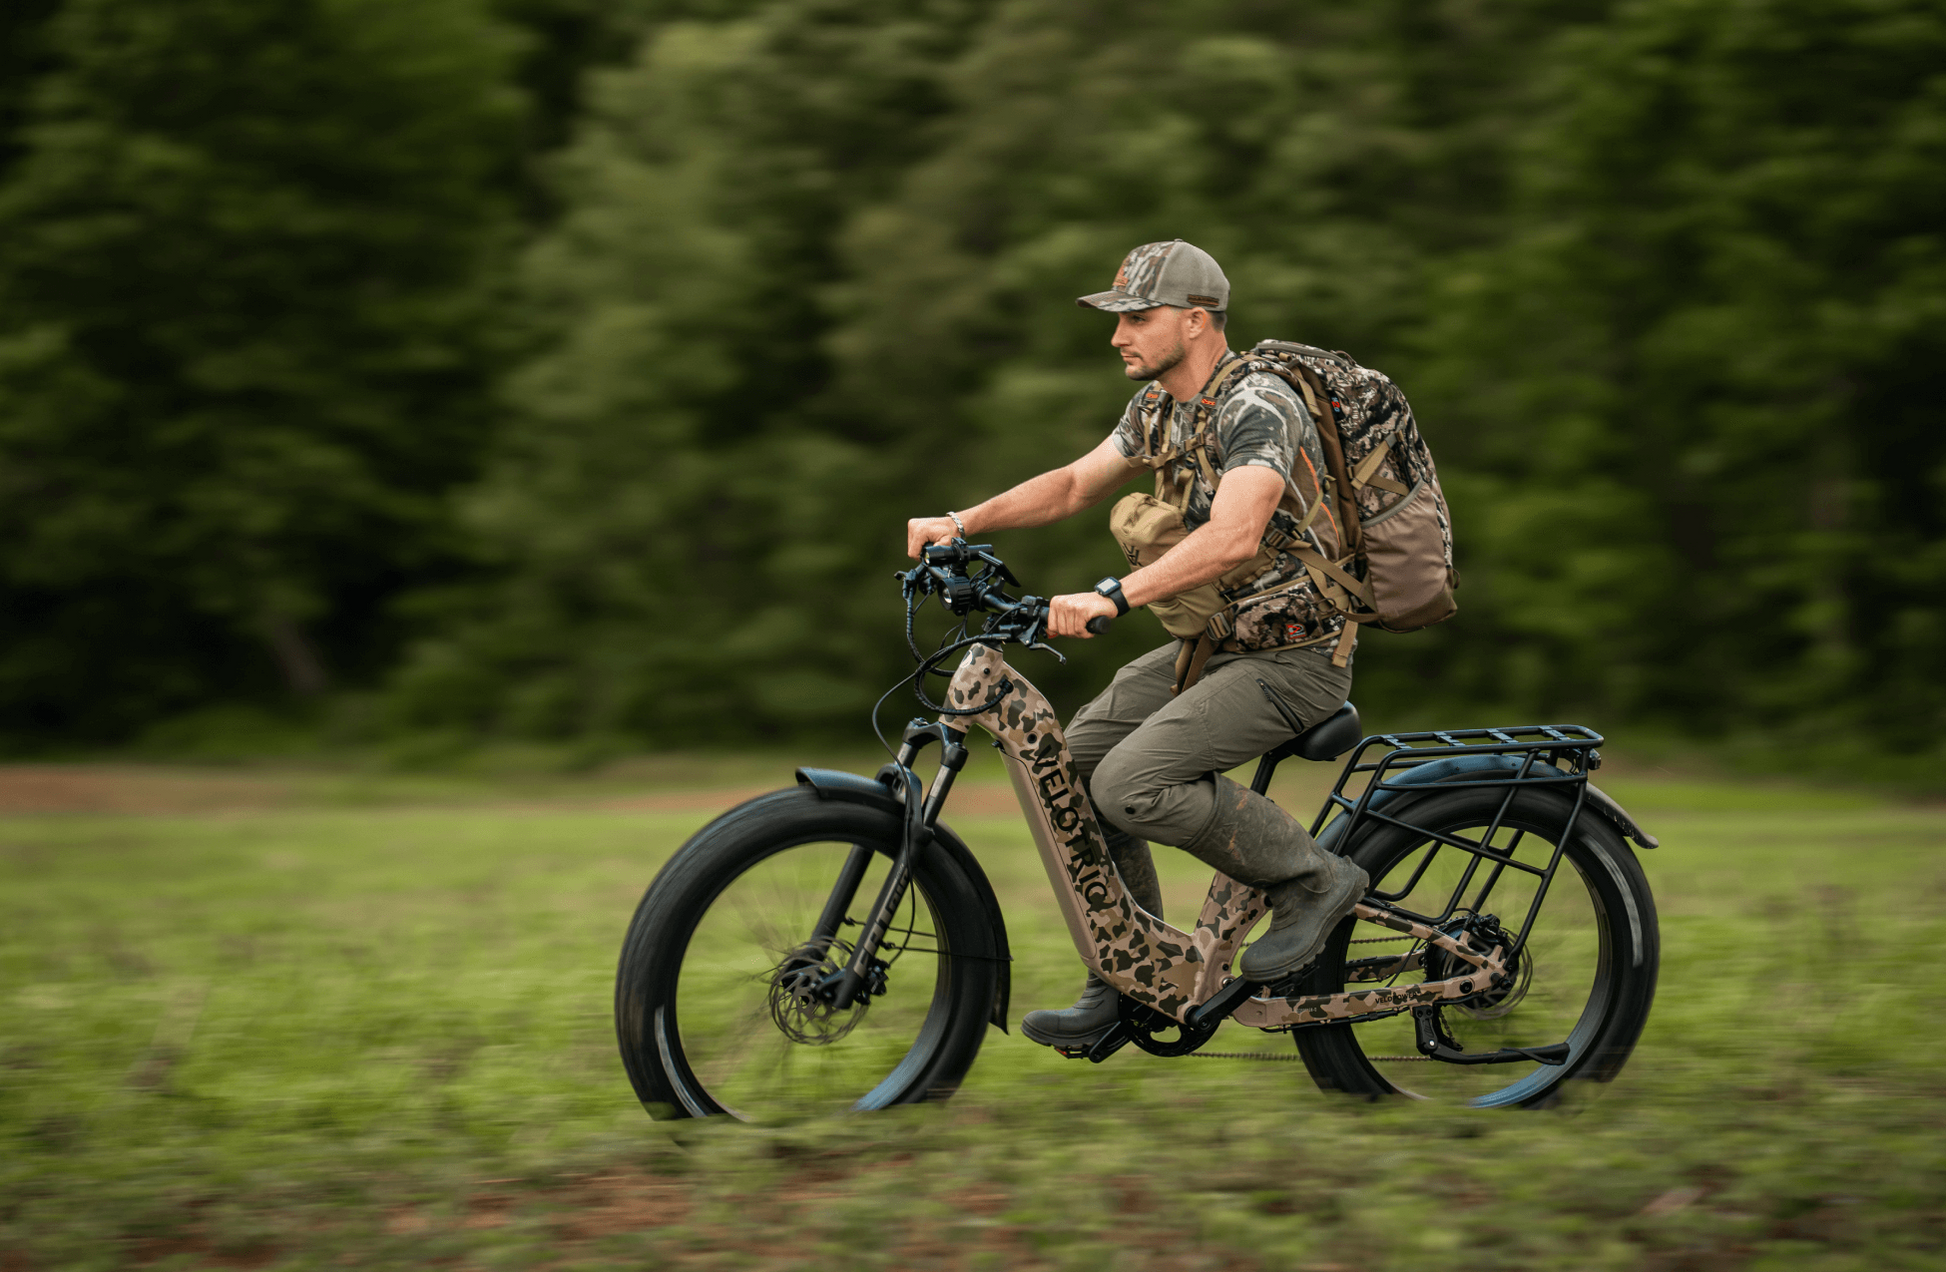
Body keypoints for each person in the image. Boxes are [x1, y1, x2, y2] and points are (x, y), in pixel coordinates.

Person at [905, 239, 1370, 1050]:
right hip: (1216, 648)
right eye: (1116, 318)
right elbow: (1079, 484)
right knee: (1073, 766)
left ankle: (1316, 879)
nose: (1119, 334)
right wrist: (962, 521)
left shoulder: (1257, 403)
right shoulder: (1159, 407)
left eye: (1137, 317)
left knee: (1131, 784)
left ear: (1195, 322)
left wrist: (1113, 596)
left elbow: (1235, 534)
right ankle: (1132, 975)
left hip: (1294, 659)